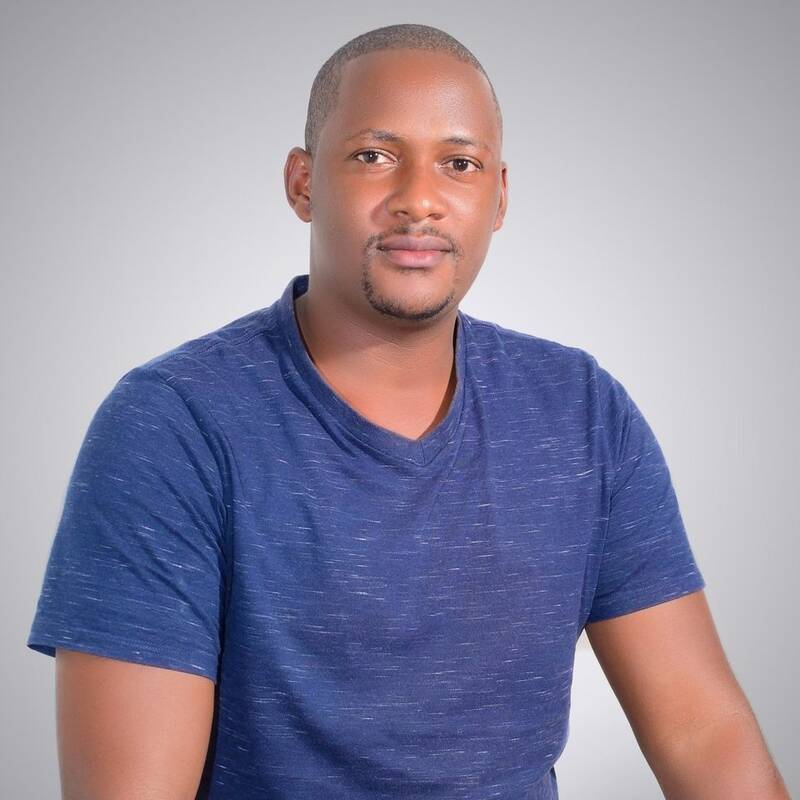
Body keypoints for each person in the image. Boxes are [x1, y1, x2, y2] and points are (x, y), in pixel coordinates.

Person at [27, 23, 789, 800]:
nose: (419, 199)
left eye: (459, 164)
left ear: (498, 196)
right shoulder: (172, 427)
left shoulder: (582, 413)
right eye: (373, 156)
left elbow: (699, 728)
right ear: (302, 183)